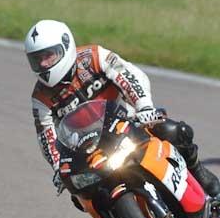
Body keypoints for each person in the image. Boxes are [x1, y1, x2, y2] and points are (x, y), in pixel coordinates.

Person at [25, 19, 220, 204]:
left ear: (66, 47)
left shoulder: (93, 56)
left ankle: (203, 179)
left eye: (49, 55)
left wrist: (144, 107)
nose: (43, 64)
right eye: (37, 59)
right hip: (88, 150)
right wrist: (58, 167)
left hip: (127, 123)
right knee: (79, 196)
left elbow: (128, 75)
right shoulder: (41, 97)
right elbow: (46, 137)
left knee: (174, 132)